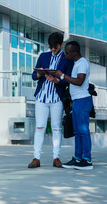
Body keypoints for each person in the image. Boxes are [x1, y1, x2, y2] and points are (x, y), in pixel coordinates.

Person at [28, 32, 73, 168]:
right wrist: (39, 73)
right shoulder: (43, 56)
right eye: (51, 47)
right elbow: (33, 76)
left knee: (56, 128)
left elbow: (68, 80)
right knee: (39, 127)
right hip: (41, 97)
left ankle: (56, 157)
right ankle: (36, 158)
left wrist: (57, 80)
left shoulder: (66, 60)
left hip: (56, 98)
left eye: (56, 47)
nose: (53, 49)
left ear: (61, 45)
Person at [53, 41, 93, 170]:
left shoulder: (82, 63)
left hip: (82, 100)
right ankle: (78, 158)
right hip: (76, 101)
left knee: (83, 131)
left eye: (67, 52)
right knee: (77, 131)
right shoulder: (77, 63)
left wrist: (63, 76)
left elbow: (80, 82)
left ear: (75, 52)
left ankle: (87, 160)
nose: (65, 54)